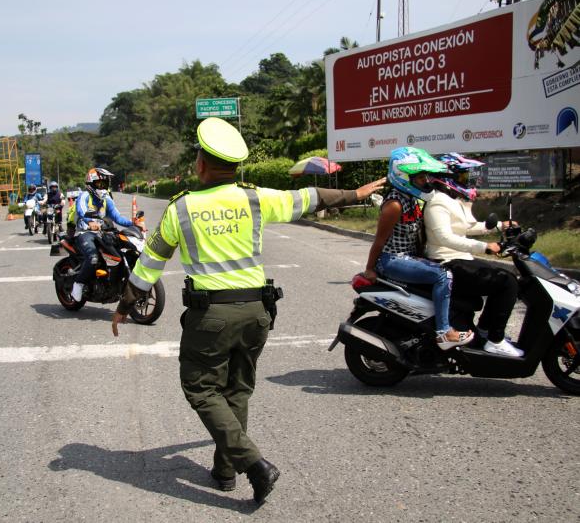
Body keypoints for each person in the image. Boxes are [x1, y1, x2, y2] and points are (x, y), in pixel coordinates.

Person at [111, 117, 386, 504]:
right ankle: (225, 473)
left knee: (201, 388)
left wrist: (125, 306)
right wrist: (355, 195)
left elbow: (149, 266)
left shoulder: (182, 209)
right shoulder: (255, 198)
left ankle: (254, 465)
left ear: (200, 164)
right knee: (237, 390)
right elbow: (309, 198)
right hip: (257, 313)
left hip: (211, 318)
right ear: (236, 167)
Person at [364, 147, 474, 350]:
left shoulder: (412, 199)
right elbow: (379, 241)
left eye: (425, 175)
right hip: (391, 260)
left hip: (408, 257)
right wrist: (370, 269)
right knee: (444, 276)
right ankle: (444, 332)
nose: (425, 180)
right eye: (420, 176)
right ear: (403, 176)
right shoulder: (395, 204)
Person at [425, 153, 523, 358]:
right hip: (447, 262)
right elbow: (445, 238)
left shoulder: (450, 200)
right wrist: (484, 247)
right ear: (447, 177)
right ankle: (495, 340)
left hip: (460, 259)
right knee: (507, 282)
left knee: (506, 279)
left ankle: (485, 332)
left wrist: (499, 226)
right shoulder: (437, 202)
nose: (468, 181)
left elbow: (466, 226)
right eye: (463, 177)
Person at [71, 168, 139, 302]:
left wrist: (133, 223)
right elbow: (81, 211)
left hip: (102, 233)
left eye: (105, 184)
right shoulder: (85, 196)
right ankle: (78, 284)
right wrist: (89, 222)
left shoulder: (106, 199)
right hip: (85, 233)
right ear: (91, 184)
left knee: (120, 253)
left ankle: (112, 283)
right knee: (93, 258)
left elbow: (117, 217)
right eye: (100, 184)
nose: (103, 187)